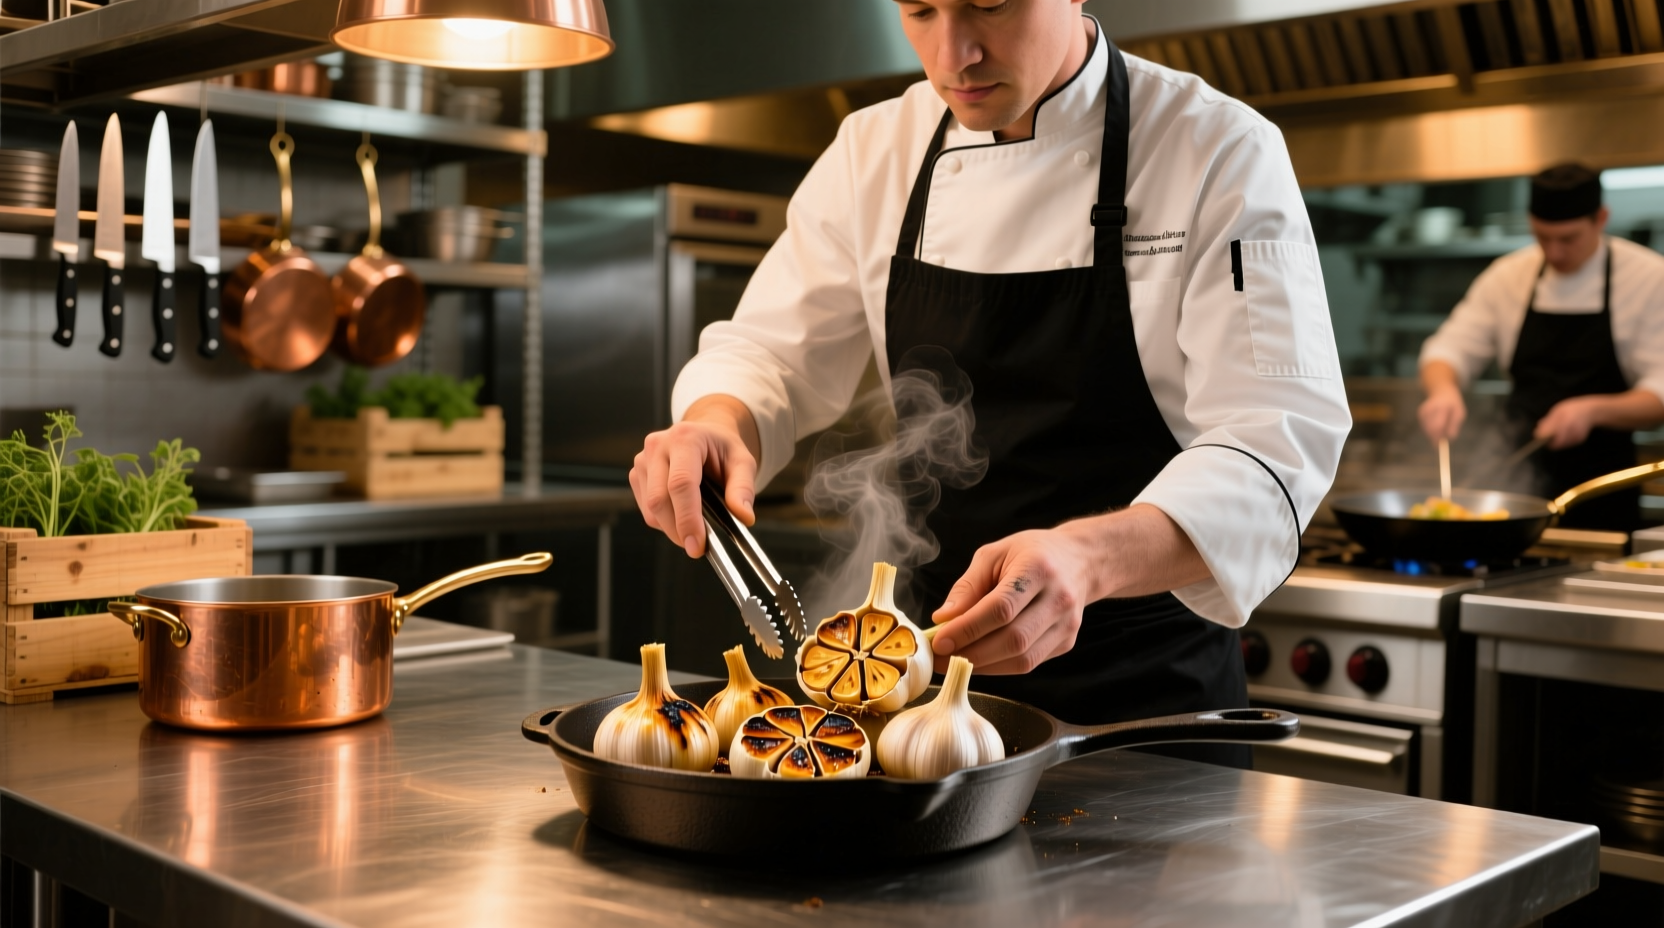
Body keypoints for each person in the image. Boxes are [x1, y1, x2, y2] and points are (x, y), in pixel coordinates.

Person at [629, 0, 1349, 767]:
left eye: (990, 5)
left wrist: (1087, 559)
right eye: (921, 10)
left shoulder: (1216, 150)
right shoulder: (875, 150)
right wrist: (716, 421)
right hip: (922, 719)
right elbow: (769, 352)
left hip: (1145, 710)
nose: (953, 55)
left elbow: (1275, 441)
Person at [1419, 164, 1664, 532]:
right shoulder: (1509, 275)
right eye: (1542, 237)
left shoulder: (1648, 278)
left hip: (1599, 490)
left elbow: (1660, 393)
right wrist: (1443, 391)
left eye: (1568, 239)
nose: (1554, 252)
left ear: (1601, 218)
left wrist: (1593, 409)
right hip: (1512, 479)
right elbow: (1448, 349)